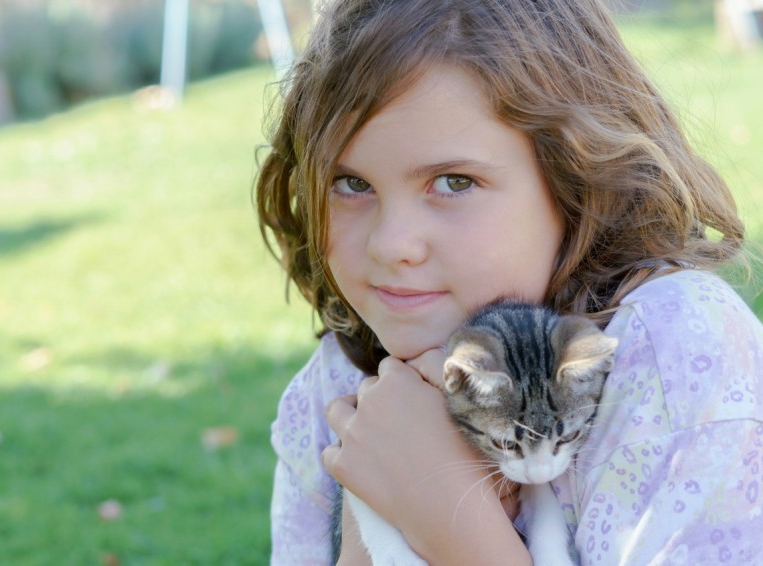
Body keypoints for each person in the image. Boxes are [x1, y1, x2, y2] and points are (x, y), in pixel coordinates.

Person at [255, 0, 763, 563]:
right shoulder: (329, 390)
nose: (390, 244)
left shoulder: (674, 357)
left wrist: (452, 525)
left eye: (453, 181)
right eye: (351, 182)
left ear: (575, 175)